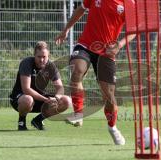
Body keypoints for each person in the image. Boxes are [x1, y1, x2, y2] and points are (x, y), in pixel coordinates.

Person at [55, 0, 135, 145]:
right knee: (77, 71)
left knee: (110, 98)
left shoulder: (129, 3)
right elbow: (81, 9)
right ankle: (78, 114)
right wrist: (66, 29)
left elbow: (133, 31)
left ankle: (112, 128)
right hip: (85, 45)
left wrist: (119, 44)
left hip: (107, 52)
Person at [9, 41, 71, 131]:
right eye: (39, 57)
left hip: (40, 99)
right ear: (34, 55)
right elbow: (26, 89)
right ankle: (21, 121)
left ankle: (38, 120)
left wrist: (56, 97)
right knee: (28, 99)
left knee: (66, 101)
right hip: (21, 99)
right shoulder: (26, 63)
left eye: (44, 57)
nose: (41, 60)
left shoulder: (51, 67)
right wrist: (45, 99)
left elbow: (60, 88)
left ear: (48, 56)